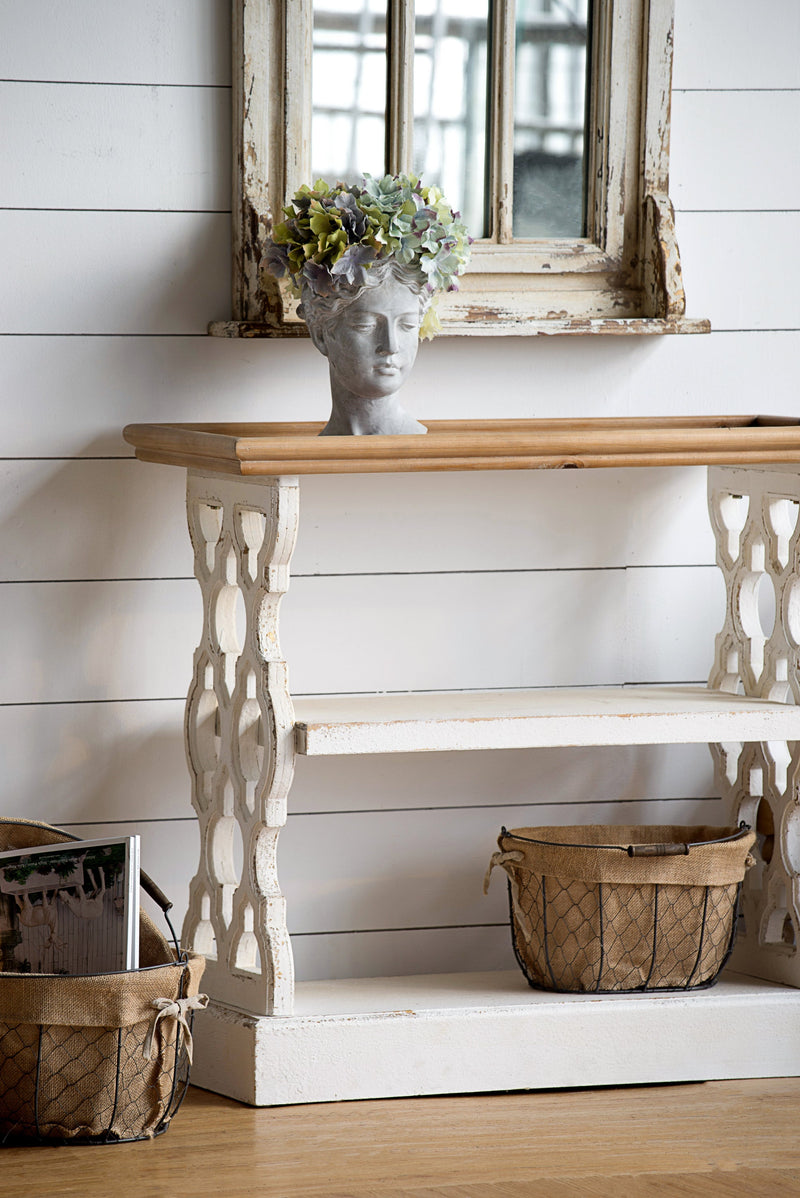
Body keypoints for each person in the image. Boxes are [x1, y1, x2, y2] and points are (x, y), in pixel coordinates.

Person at [299, 257, 432, 436]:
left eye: (407, 325)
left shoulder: (434, 451)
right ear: (320, 335)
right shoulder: (301, 458)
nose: (391, 346)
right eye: (366, 325)